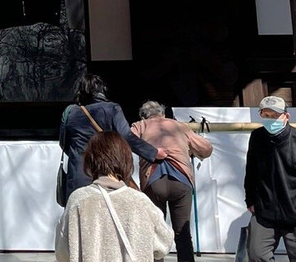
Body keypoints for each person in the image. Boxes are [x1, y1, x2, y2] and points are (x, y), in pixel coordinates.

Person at [56, 130, 174, 262]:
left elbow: (63, 253)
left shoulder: (78, 200)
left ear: (90, 161)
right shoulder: (141, 201)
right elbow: (164, 243)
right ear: (126, 160)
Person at [58, 73, 165, 205]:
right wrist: (154, 153)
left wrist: (79, 156)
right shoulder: (111, 109)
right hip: (105, 175)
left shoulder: (71, 113)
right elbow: (127, 137)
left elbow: (64, 143)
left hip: (77, 177)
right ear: (102, 91)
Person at [131, 100, 214, 262]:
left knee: (155, 233)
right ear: (162, 114)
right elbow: (206, 148)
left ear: (143, 116)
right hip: (181, 180)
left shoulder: (140, 126)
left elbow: (126, 142)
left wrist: (151, 151)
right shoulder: (179, 126)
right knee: (182, 233)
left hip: (152, 181)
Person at [244, 95, 296, 262]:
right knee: (256, 254)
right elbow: (251, 172)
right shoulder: (257, 137)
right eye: (266, 115)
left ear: (286, 116)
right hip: (265, 213)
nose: (270, 119)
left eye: (275, 115)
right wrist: (250, 199)